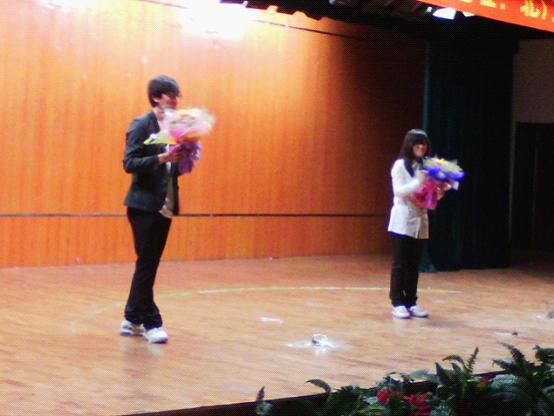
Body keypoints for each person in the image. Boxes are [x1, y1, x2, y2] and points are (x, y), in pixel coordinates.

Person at [120, 75, 198, 343]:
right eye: (170, 96)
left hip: (166, 204)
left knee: (149, 264)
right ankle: (152, 323)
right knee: (147, 265)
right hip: (143, 205)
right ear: (156, 97)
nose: (176, 101)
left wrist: (184, 156)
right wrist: (163, 157)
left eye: (177, 96)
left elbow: (172, 169)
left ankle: (131, 318)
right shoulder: (142, 124)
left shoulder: (175, 127)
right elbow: (129, 163)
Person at [387, 129, 437, 319]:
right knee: (401, 263)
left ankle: (411, 301)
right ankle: (398, 302)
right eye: (417, 143)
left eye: (424, 144)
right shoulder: (400, 165)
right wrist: (418, 182)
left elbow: (429, 194)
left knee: (414, 265)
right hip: (403, 221)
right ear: (409, 145)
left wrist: (438, 191)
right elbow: (398, 191)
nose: (421, 147)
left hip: (420, 221)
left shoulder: (426, 166)